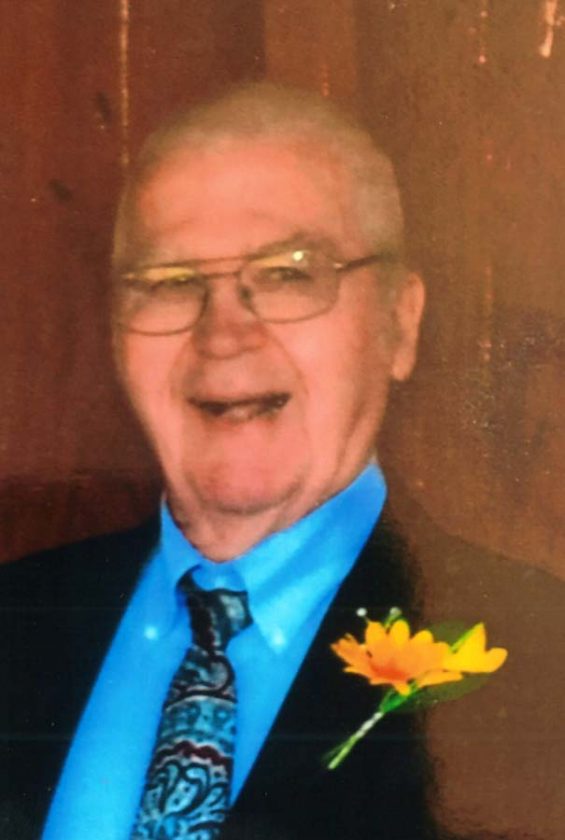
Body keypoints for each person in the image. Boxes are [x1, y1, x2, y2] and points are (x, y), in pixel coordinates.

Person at [1, 83, 564, 840]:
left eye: (289, 273)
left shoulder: (546, 669)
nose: (223, 334)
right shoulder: (18, 619)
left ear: (399, 325)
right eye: (170, 284)